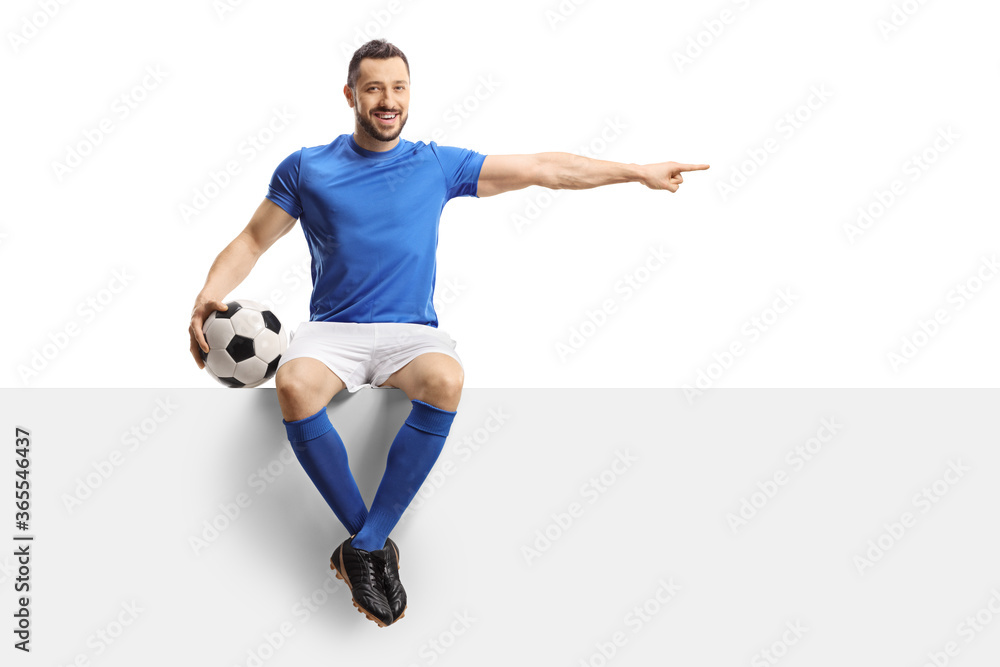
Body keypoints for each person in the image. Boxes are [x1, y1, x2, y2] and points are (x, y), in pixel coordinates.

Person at [188, 38, 709, 628]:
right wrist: (210, 293)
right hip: (333, 331)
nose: (388, 100)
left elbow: (546, 169)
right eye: (375, 88)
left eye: (399, 87)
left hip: (411, 332)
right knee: (294, 387)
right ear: (351, 95)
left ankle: (363, 546)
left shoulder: (435, 164)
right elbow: (253, 240)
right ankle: (372, 544)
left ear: (410, 94)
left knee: (446, 378)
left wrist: (636, 172)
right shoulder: (308, 167)